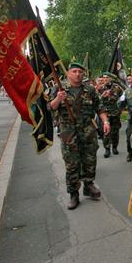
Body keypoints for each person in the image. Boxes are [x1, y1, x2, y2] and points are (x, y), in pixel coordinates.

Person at [49, 62, 110, 210]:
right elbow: (50, 107)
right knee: (72, 164)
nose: (78, 74)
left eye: (80, 72)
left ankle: (88, 185)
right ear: (68, 73)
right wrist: (58, 99)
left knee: (90, 160)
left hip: (87, 132)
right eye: (74, 71)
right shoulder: (60, 88)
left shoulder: (89, 89)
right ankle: (73, 194)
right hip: (69, 134)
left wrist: (105, 121)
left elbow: (99, 107)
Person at [99, 72, 123, 158]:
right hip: (105, 114)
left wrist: (121, 108)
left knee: (115, 132)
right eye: (104, 78)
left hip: (115, 113)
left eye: (107, 78)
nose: (105, 79)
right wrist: (103, 95)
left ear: (110, 79)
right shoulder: (100, 88)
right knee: (106, 132)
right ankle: (107, 149)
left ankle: (115, 147)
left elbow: (122, 98)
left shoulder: (117, 87)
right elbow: (97, 100)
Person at [118, 74, 132, 162]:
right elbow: (120, 105)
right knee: (128, 136)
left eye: (130, 79)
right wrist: (121, 100)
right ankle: (130, 153)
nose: (129, 80)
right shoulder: (127, 91)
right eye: (128, 79)